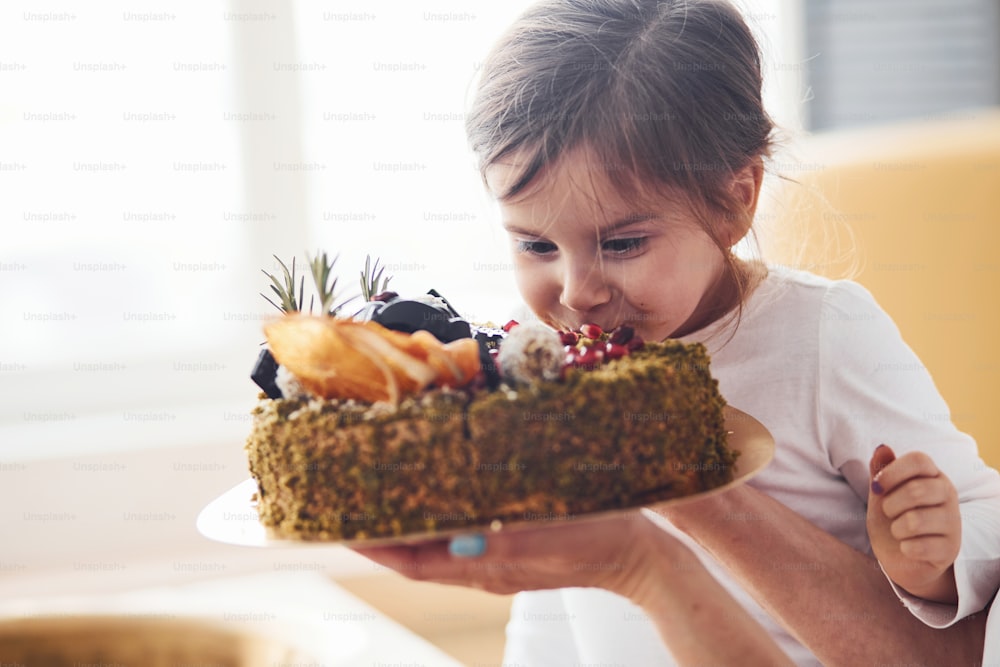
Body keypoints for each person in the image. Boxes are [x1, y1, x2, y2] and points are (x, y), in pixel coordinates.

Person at [358, 0, 1000, 664]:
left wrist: (931, 561)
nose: (577, 291)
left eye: (625, 242)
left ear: (735, 200)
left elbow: (984, 524)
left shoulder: (822, 335)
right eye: (536, 245)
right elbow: (555, 606)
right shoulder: (549, 374)